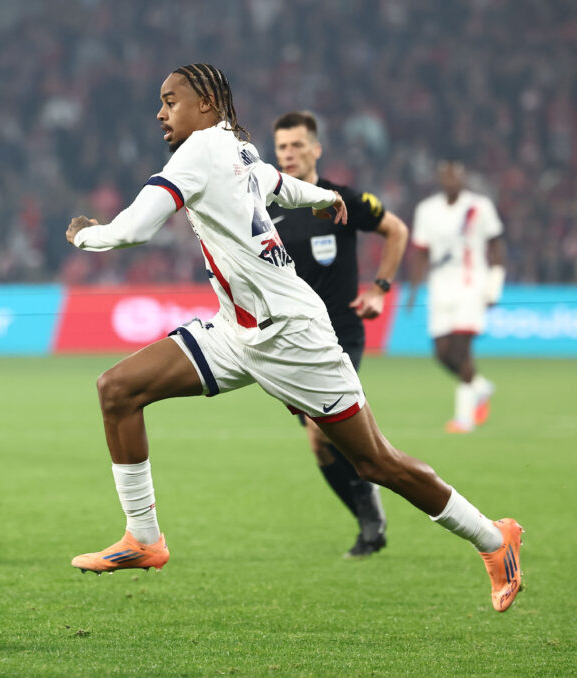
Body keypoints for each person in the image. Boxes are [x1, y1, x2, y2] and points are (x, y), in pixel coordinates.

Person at [66, 64, 523, 613]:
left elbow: (136, 229)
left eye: (170, 101)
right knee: (118, 389)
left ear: (206, 104)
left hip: (293, 336)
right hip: (237, 331)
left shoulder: (198, 152)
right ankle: (144, 538)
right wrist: (321, 198)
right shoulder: (235, 148)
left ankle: (494, 539)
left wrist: (87, 235)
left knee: (375, 462)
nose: (160, 113)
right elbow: (275, 183)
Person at [270, 111, 409, 558]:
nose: (288, 153)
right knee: (322, 445)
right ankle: (369, 517)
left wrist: (380, 288)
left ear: (316, 149)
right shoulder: (266, 208)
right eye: (282, 147)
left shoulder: (341, 200)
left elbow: (396, 230)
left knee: (320, 428)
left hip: (339, 334)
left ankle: (371, 516)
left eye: (296, 145)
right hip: (292, 339)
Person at [410, 161, 506, 433]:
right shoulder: (426, 210)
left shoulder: (479, 206)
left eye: (456, 176)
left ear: (463, 179)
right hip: (440, 287)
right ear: (440, 179)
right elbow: (421, 252)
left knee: (462, 349)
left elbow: (496, 245)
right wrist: (413, 289)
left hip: (471, 284)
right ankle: (480, 387)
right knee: (442, 352)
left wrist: (494, 285)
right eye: (447, 176)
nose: (451, 181)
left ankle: (464, 418)